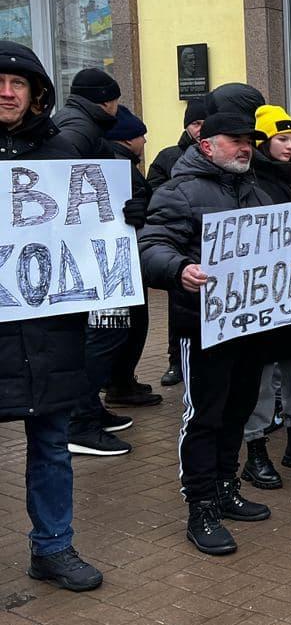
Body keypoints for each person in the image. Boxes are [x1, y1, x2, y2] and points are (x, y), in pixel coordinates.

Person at [139, 110, 277, 555]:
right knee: (204, 416)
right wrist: (179, 268)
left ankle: (224, 487)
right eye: (234, 140)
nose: (244, 147)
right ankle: (200, 506)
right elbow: (150, 247)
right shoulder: (177, 192)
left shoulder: (256, 191)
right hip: (201, 325)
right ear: (206, 145)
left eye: (249, 141)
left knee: (237, 410)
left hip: (250, 324)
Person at [0, 42, 104, 591]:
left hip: (50, 331)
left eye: (18, 83)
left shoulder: (63, 153)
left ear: (37, 94)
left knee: (50, 445)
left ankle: (53, 549)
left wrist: (123, 215)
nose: (6, 91)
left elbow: (90, 236)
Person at [56, 69, 144, 456]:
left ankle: (89, 407)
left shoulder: (79, 124)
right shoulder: (78, 130)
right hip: (89, 254)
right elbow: (68, 188)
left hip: (92, 250)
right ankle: (79, 421)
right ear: (106, 100)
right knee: (104, 332)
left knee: (101, 333)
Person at [239, 105, 291, 490]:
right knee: (261, 373)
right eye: (282, 139)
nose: (290, 146)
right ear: (263, 141)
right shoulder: (248, 181)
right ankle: (256, 450)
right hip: (264, 296)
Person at [101, 106, 161, 410]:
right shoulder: (121, 167)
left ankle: (121, 381)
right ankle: (120, 384)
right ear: (126, 139)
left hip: (117, 265)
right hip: (123, 266)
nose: (145, 141)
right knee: (128, 326)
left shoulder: (117, 162)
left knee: (119, 327)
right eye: (141, 135)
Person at [148, 99, 206, 387]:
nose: (200, 130)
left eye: (205, 125)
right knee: (179, 308)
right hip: (180, 246)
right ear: (187, 126)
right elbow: (156, 192)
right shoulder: (168, 156)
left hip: (208, 244)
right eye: (195, 124)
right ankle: (176, 360)